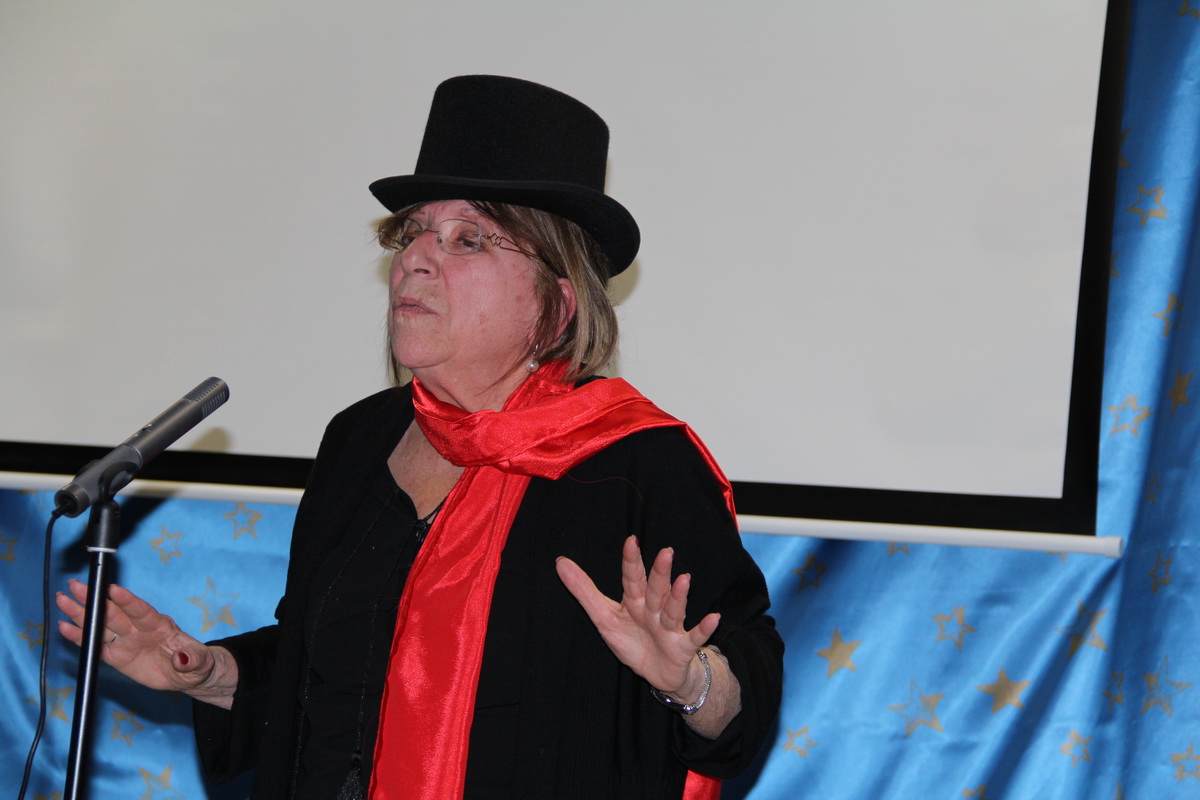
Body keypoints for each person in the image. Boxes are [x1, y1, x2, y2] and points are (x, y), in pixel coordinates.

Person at [57, 75, 783, 800]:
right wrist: (210, 673)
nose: (415, 259)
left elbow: (744, 690)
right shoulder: (360, 440)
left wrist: (691, 680)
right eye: (412, 233)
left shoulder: (636, 463)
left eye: (468, 239)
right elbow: (327, 671)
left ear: (556, 304)